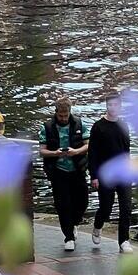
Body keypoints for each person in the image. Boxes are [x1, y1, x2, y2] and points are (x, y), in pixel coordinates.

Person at [39, 98, 90, 252]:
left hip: (77, 169)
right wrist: (55, 153)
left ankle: (75, 222)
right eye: (60, 116)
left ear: (69, 113)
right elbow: (42, 150)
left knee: (83, 200)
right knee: (63, 205)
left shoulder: (80, 124)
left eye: (65, 115)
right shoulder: (46, 127)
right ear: (56, 113)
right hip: (58, 171)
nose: (63, 118)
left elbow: (88, 145)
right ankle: (68, 237)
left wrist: (76, 152)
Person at [88, 94, 133, 253]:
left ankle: (124, 241)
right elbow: (92, 153)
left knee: (126, 207)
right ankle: (98, 224)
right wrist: (94, 175)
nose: (112, 107)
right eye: (109, 105)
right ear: (106, 106)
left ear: (120, 106)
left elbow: (126, 150)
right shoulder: (98, 127)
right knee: (106, 207)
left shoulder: (124, 126)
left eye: (115, 105)